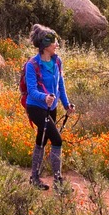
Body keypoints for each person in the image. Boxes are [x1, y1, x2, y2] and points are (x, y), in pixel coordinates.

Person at [23, 24, 75, 191]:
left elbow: (60, 85)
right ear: (46, 46)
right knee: (57, 140)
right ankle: (58, 183)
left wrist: (66, 104)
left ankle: (34, 178)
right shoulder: (32, 64)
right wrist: (44, 97)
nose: (57, 45)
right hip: (36, 107)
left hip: (51, 107)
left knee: (42, 139)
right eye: (54, 42)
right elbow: (31, 91)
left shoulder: (57, 61)